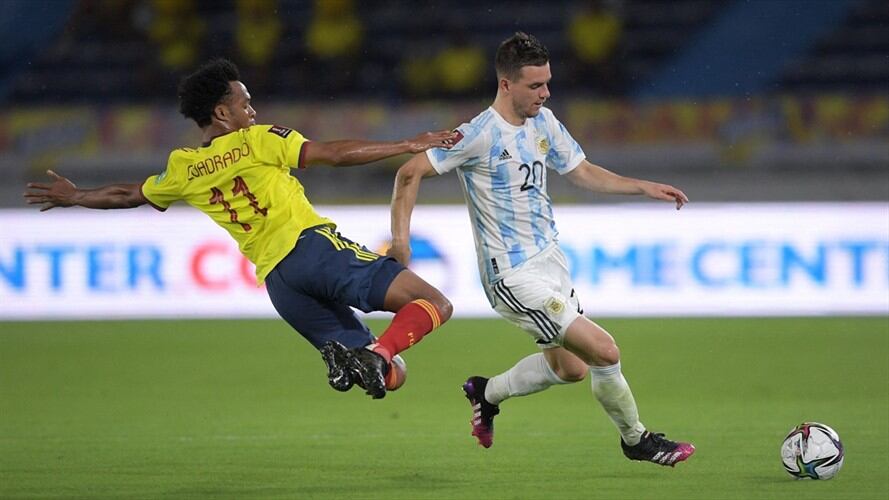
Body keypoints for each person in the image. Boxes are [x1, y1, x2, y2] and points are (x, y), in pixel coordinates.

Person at [24, 58, 456, 400]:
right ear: (221, 112)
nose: (252, 111)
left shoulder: (184, 167)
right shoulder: (257, 140)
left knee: (391, 374)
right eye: (245, 103)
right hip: (314, 250)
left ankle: (369, 359)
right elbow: (331, 153)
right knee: (434, 302)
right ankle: (375, 353)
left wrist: (76, 196)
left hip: (281, 284)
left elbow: (129, 194)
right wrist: (406, 143)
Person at [388, 33, 695, 465]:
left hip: (551, 262)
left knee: (572, 368)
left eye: (547, 83)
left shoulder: (543, 122)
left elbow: (582, 171)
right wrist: (401, 242)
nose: (545, 93)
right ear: (506, 84)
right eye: (535, 86)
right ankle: (636, 440)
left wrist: (642, 187)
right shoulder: (476, 135)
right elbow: (408, 172)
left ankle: (486, 392)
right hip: (512, 275)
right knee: (605, 351)